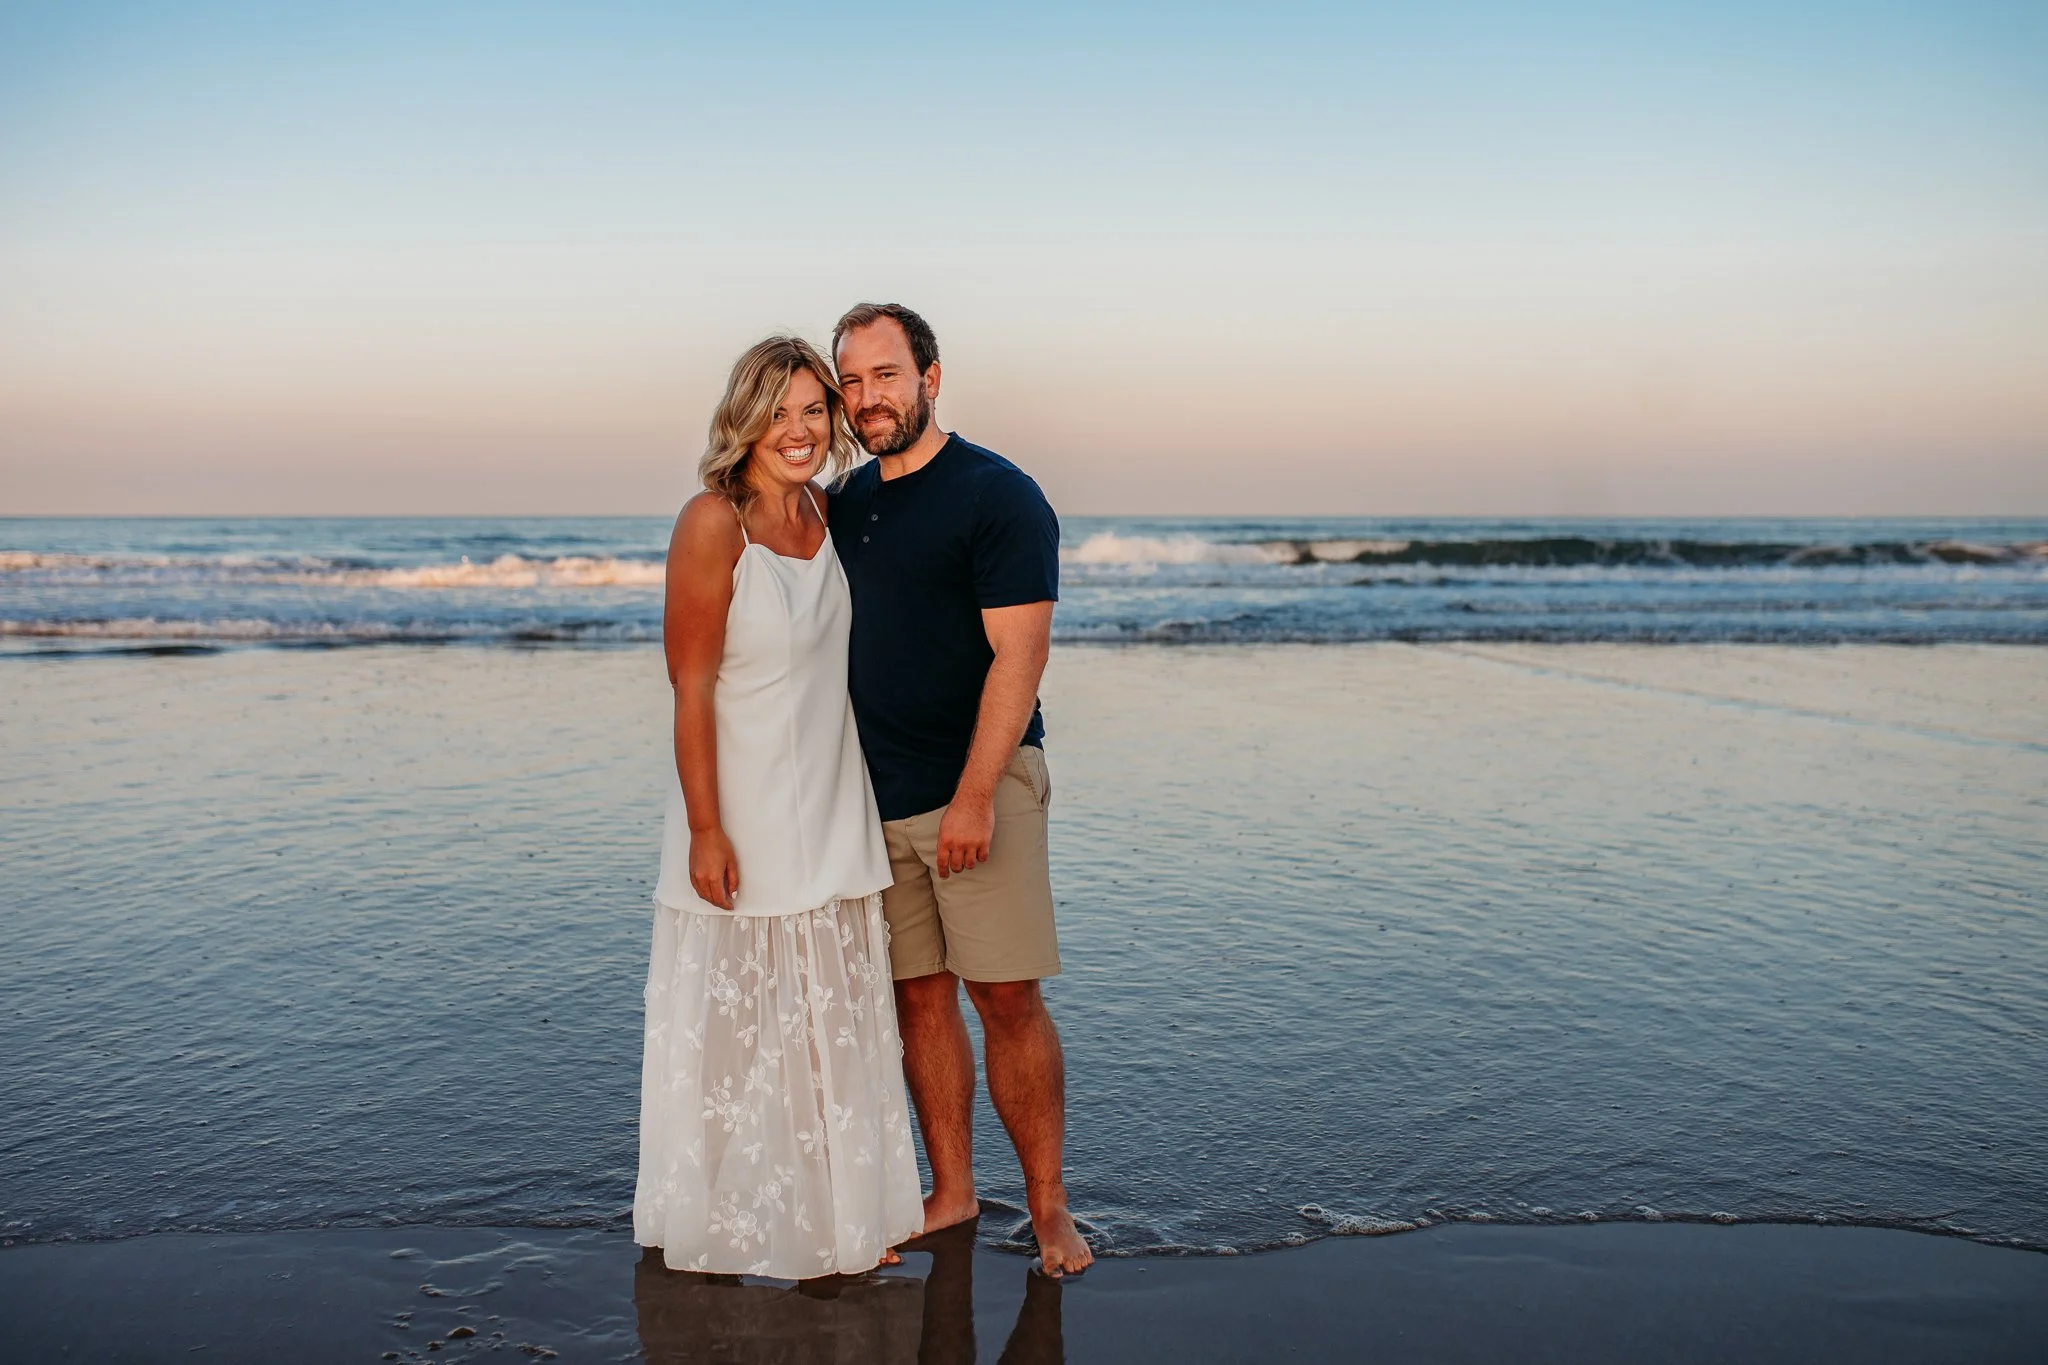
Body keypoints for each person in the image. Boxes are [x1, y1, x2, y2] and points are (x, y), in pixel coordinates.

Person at [634, 335, 922, 1278]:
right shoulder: (710, 523)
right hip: (743, 807)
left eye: (813, 410)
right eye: (779, 412)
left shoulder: (828, 513)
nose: (799, 431)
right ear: (745, 419)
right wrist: (705, 828)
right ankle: (728, 1218)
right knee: (743, 1027)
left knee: (828, 1020)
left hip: (833, 802)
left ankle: (839, 1217)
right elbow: (689, 686)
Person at [827, 303, 1094, 1276]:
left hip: (980, 785)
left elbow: (1020, 655)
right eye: (851, 381)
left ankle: (1050, 1207)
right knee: (917, 999)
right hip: (876, 797)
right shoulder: (844, 503)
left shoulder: (997, 494)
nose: (867, 398)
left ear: (930, 379)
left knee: (1005, 995)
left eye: (885, 375)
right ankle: (952, 1191)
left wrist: (976, 795)